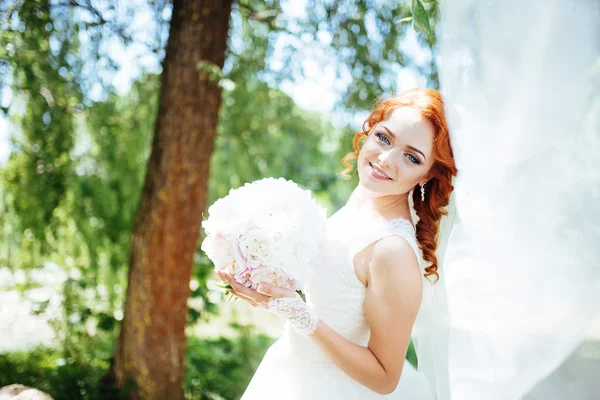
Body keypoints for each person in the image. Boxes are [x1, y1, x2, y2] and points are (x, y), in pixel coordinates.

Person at [217, 88, 457, 399]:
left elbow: (385, 378)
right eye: (384, 138)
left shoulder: (392, 250)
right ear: (369, 133)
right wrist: (267, 283)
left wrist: (299, 315)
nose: (385, 159)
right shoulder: (362, 203)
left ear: (428, 175)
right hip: (290, 370)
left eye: (411, 157)